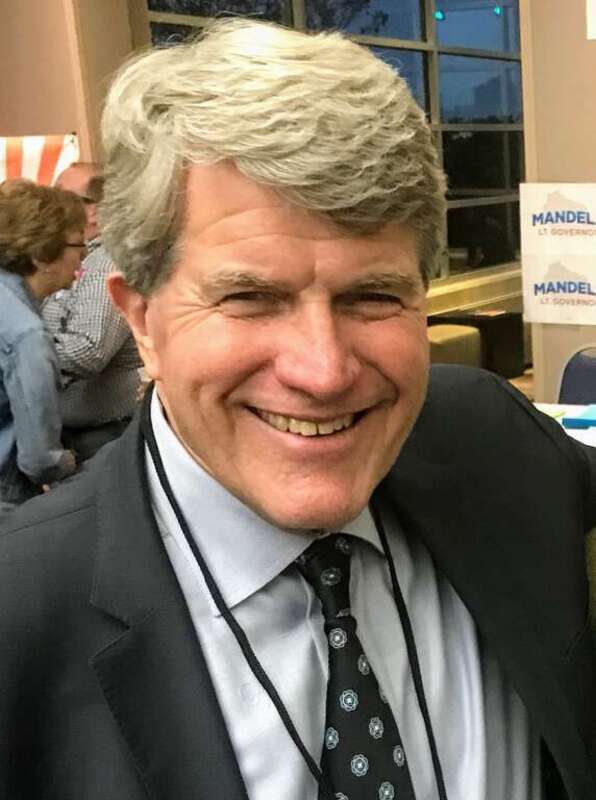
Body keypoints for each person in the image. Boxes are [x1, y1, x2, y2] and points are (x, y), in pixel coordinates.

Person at [0, 19, 594, 800]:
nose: (322, 371)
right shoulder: (20, 618)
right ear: (140, 319)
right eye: (250, 298)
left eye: (372, 295)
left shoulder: (490, 442)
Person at [43, 164, 142, 462]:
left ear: (95, 210)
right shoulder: (73, 255)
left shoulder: (106, 261)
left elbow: (89, 350)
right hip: (82, 435)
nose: (49, 208)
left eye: (61, 199)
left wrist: (22, 350)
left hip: (107, 436)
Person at [0, 180, 83, 505]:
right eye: (78, 246)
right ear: (42, 254)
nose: (82, 260)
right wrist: (69, 462)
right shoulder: (27, 335)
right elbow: (38, 460)